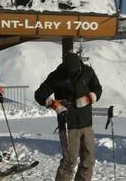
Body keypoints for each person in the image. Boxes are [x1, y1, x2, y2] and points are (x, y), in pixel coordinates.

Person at [35, 53, 102, 181]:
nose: (71, 74)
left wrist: (89, 98)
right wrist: (54, 105)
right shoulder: (56, 76)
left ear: (79, 66)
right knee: (69, 162)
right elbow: (39, 94)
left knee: (88, 161)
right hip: (67, 125)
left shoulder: (87, 72)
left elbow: (97, 88)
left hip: (86, 123)